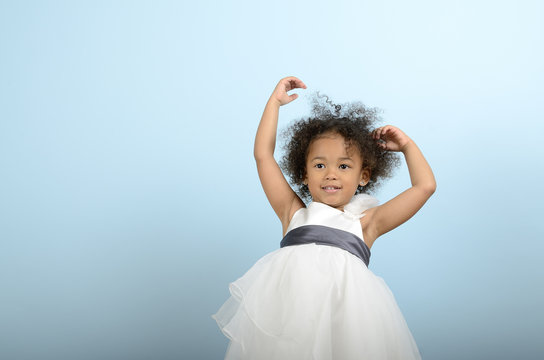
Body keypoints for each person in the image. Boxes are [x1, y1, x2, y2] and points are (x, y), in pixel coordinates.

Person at [212, 76, 436, 359]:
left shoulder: (366, 223)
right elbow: (263, 156)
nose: (331, 173)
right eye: (320, 165)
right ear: (304, 173)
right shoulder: (293, 213)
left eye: (344, 165)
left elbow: (424, 187)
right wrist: (274, 105)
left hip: (347, 318)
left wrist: (408, 146)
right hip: (291, 317)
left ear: (363, 176)